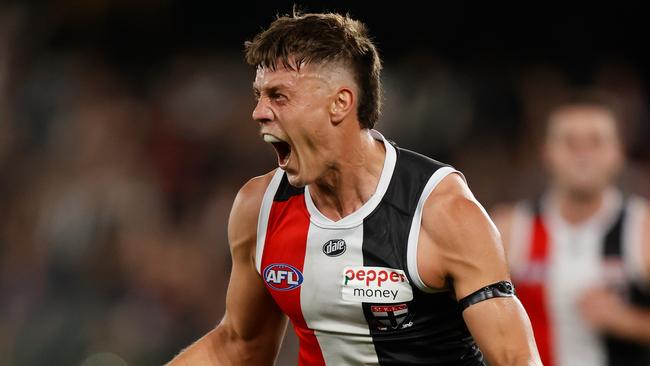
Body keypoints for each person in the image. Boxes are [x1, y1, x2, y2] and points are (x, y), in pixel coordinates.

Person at [168, 11, 540, 366]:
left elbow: (514, 358)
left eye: (278, 96)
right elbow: (240, 346)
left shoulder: (440, 211)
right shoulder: (259, 207)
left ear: (340, 103)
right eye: (259, 95)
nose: (259, 112)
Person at [492, 91, 650, 366]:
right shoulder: (508, 228)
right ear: (546, 153)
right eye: (570, 142)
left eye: (595, 142)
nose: (582, 154)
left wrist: (626, 321)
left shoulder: (643, 229)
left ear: (618, 153)